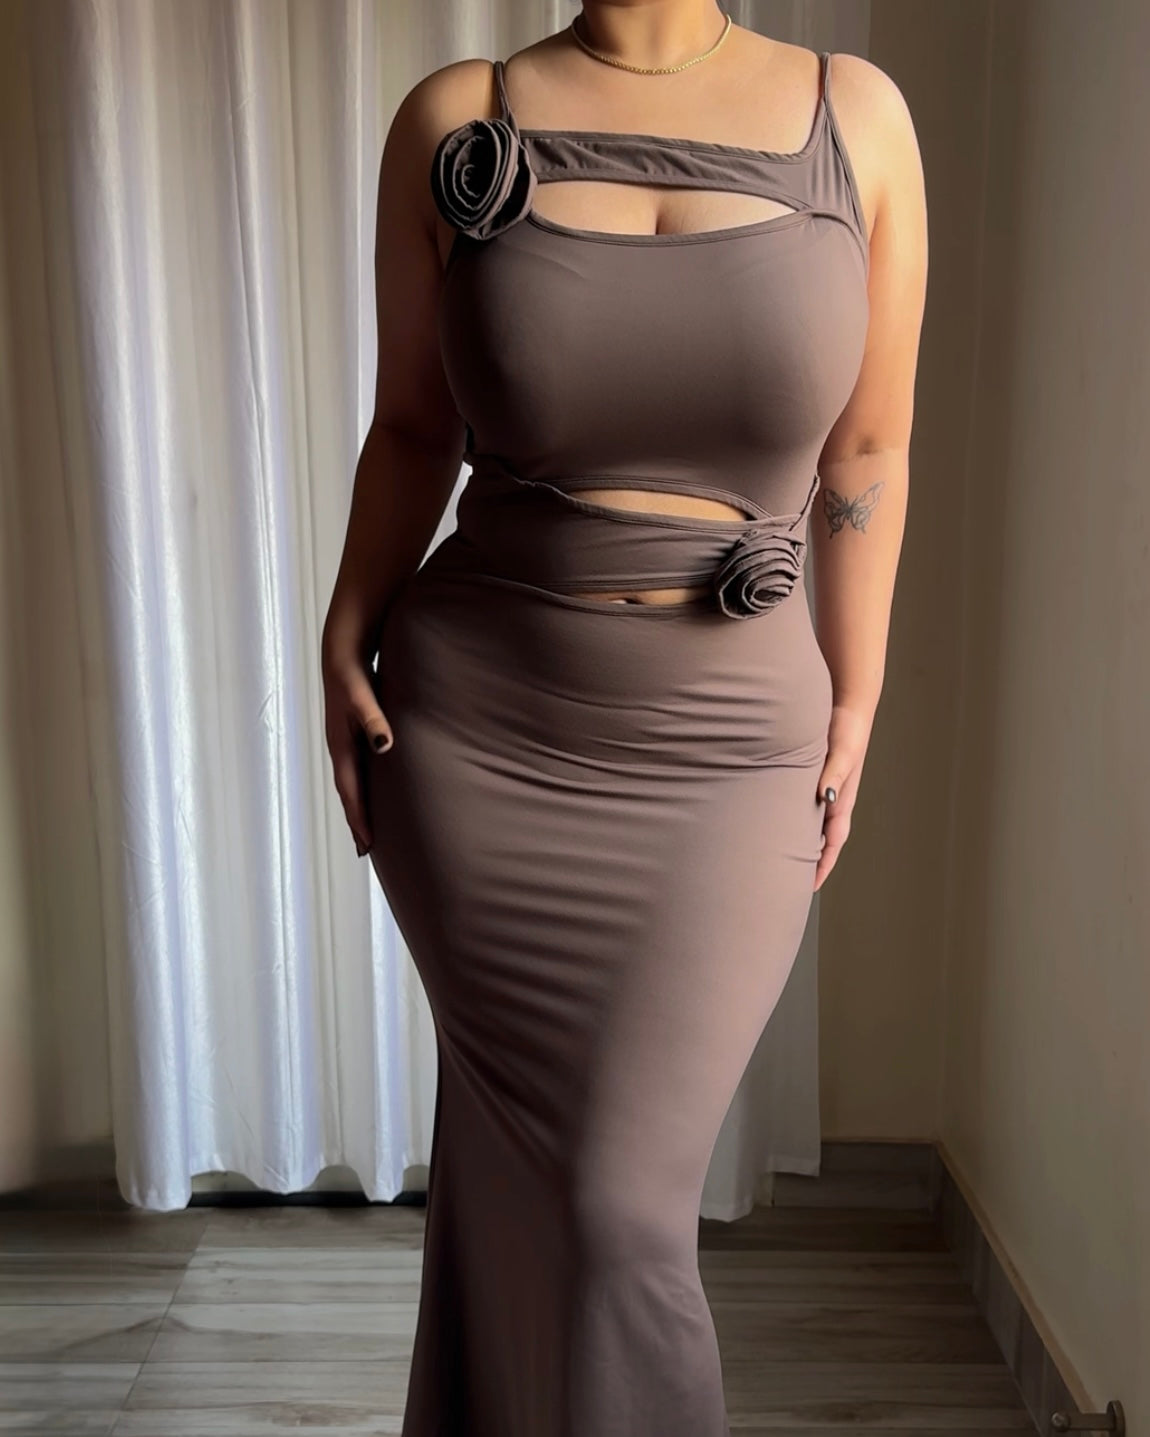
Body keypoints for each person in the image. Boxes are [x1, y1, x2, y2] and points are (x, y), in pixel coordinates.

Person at [321, 2, 927, 1432]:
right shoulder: (455, 118)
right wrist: (343, 623)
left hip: (733, 750)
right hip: (476, 734)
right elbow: (411, 426)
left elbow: (867, 446)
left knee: (612, 1207)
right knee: (527, 1178)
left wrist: (859, 691)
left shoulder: (856, 120)